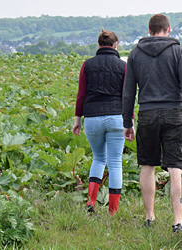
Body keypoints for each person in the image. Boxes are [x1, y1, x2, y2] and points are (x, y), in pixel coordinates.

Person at [122, 14, 182, 233]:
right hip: (174, 113)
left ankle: (150, 217)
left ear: (149, 30)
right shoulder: (178, 52)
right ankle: (177, 221)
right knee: (176, 167)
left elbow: (128, 93)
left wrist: (127, 122)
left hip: (146, 113)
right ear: (168, 29)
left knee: (147, 166)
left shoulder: (135, 54)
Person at [72, 28, 126, 216]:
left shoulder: (87, 65)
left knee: (99, 158)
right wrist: (130, 122)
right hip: (116, 117)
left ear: (98, 44)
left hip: (92, 118)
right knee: (115, 163)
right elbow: (127, 97)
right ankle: (113, 211)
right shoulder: (123, 66)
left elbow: (81, 95)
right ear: (115, 45)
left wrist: (78, 119)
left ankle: (91, 202)